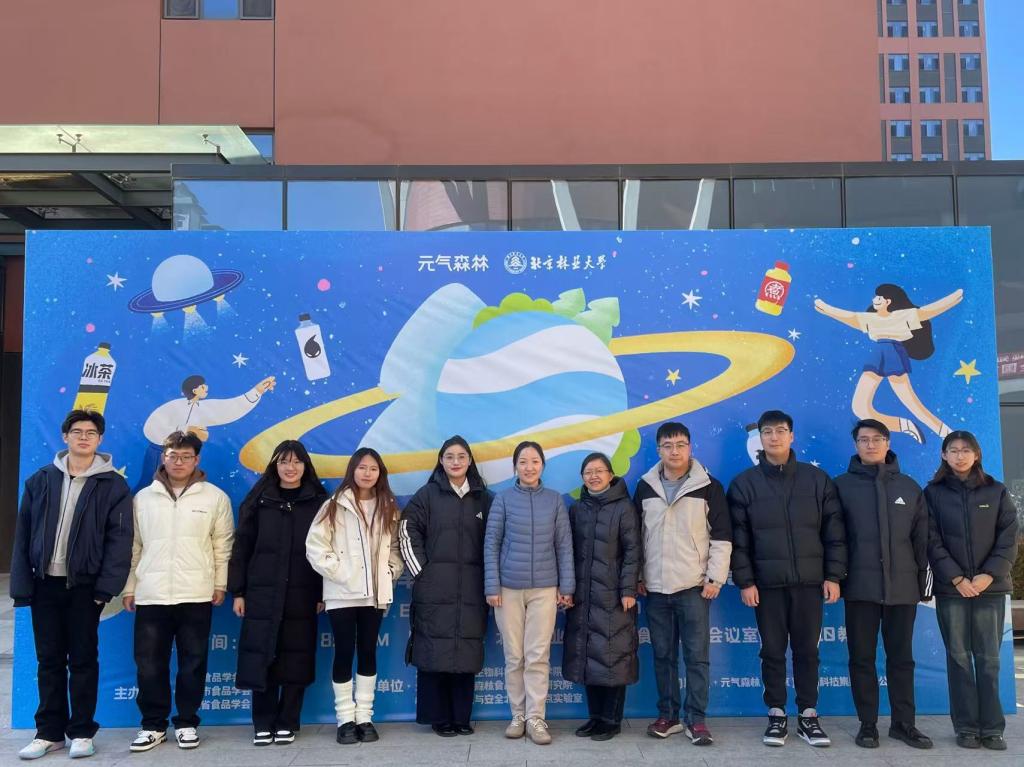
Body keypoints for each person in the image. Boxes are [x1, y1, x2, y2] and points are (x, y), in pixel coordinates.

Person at [10, 409, 133, 761]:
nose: (83, 437)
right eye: (77, 431)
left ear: (100, 439)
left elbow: (120, 540)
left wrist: (105, 589)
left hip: (85, 588)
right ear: (65, 437)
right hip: (44, 584)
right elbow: (23, 535)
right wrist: (22, 585)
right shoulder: (41, 480)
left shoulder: (113, 485)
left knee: (82, 659)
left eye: (90, 433)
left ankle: (81, 731)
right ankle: (49, 733)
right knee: (49, 660)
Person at [728, 410, 846, 748]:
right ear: (760, 438)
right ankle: (776, 714)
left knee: (808, 651)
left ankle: (808, 715)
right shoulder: (745, 484)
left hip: (810, 584)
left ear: (792, 436)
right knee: (772, 651)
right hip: (767, 586)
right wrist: (746, 581)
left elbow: (834, 534)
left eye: (781, 431)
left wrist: (833, 576)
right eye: (768, 432)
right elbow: (739, 540)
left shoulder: (816, 480)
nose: (774, 437)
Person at [122, 431, 234, 752]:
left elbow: (223, 545)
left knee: (193, 662)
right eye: (173, 456)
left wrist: (219, 584)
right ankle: (153, 725)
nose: (179, 462)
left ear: (197, 460)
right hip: (151, 593)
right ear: (163, 458)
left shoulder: (215, 498)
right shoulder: (143, 498)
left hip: (196, 593)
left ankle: (186, 722)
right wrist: (130, 587)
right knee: (149, 664)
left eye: (186, 456)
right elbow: (133, 546)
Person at [834, 419, 933, 750]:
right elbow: (834, 538)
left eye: (877, 439)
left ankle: (904, 724)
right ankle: (868, 724)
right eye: (864, 439)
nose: (871, 445)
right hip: (859, 587)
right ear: (856, 445)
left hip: (903, 589)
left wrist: (923, 582)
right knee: (861, 658)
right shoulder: (841, 486)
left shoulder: (909, 487)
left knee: (901, 658)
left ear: (888, 443)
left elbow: (922, 540)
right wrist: (836, 577)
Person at [633, 422, 731, 746]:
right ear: (658, 449)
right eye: (667, 445)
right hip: (656, 589)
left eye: (680, 445)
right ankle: (669, 716)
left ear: (690, 447)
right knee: (663, 656)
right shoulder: (645, 487)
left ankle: (697, 720)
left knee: (696, 657)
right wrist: (639, 576)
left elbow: (722, 537)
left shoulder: (708, 486)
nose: (674, 451)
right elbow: (637, 537)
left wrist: (715, 578)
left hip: (694, 587)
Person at [227, 440, 328, 746]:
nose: (290, 467)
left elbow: (329, 551)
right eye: (284, 461)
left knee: (296, 657)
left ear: (306, 466)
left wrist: (322, 592)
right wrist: (239, 592)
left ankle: (287, 721)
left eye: (296, 462)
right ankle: (262, 722)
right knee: (262, 656)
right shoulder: (259, 500)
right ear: (275, 465)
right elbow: (242, 547)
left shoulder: (319, 502)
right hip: (262, 592)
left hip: (303, 592)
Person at [925, 430, 1018, 751]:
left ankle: (992, 728)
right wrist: (956, 578)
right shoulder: (933, 493)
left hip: (989, 589)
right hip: (952, 590)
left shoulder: (996, 490)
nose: (960, 455)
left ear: (976, 454)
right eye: (953, 450)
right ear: (944, 455)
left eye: (966, 450)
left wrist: (988, 575)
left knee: (989, 659)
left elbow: (1008, 537)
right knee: (959, 658)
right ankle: (965, 727)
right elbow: (930, 539)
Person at [305, 448, 403, 745]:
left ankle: (365, 717)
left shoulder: (388, 506)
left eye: (373, 468)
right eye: (362, 467)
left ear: (380, 473)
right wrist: (342, 573)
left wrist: (389, 571)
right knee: (344, 652)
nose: (367, 473)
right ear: (352, 470)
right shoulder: (334, 505)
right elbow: (315, 547)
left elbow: (396, 547)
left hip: (375, 595)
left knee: (369, 651)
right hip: (342, 594)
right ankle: (345, 718)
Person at [399, 436, 493, 736]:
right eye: (449, 456)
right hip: (434, 588)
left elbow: (497, 540)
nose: (456, 461)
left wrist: (491, 578)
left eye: (461, 456)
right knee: (433, 651)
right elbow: (407, 530)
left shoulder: (484, 498)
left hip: (473, 590)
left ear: (470, 461)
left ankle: (461, 718)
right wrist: (422, 572)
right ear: (441, 460)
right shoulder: (427, 495)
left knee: (466, 650)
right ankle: (438, 718)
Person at [484, 441, 574, 746]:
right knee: (515, 656)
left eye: (535, 461)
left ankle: (536, 718)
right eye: (523, 462)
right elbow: (491, 544)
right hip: (507, 589)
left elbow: (564, 545)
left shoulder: (555, 500)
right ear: (515, 467)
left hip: (545, 589)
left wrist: (567, 586)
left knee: (537, 656)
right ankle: (517, 716)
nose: (529, 467)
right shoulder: (503, 499)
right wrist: (492, 586)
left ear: (542, 466)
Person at [814, 285, 962, 443]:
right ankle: (904, 425)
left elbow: (928, 311)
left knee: (912, 404)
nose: (874, 300)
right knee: (860, 407)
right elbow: (848, 316)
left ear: (888, 301)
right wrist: (825, 308)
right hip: (877, 357)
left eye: (879, 297)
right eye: (875, 297)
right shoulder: (870, 318)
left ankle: (946, 433)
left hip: (893, 355)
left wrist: (954, 297)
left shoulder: (902, 316)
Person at [561, 453, 640, 742]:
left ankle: (611, 720)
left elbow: (633, 552)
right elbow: (567, 552)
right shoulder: (577, 509)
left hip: (614, 596)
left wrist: (628, 590)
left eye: (599, 471)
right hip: (583, 596)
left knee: (614, 658)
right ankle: (595, 718)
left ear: (610, 475)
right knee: (589, 658)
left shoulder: (624, 507)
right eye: (588, 472)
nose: (593, 476)